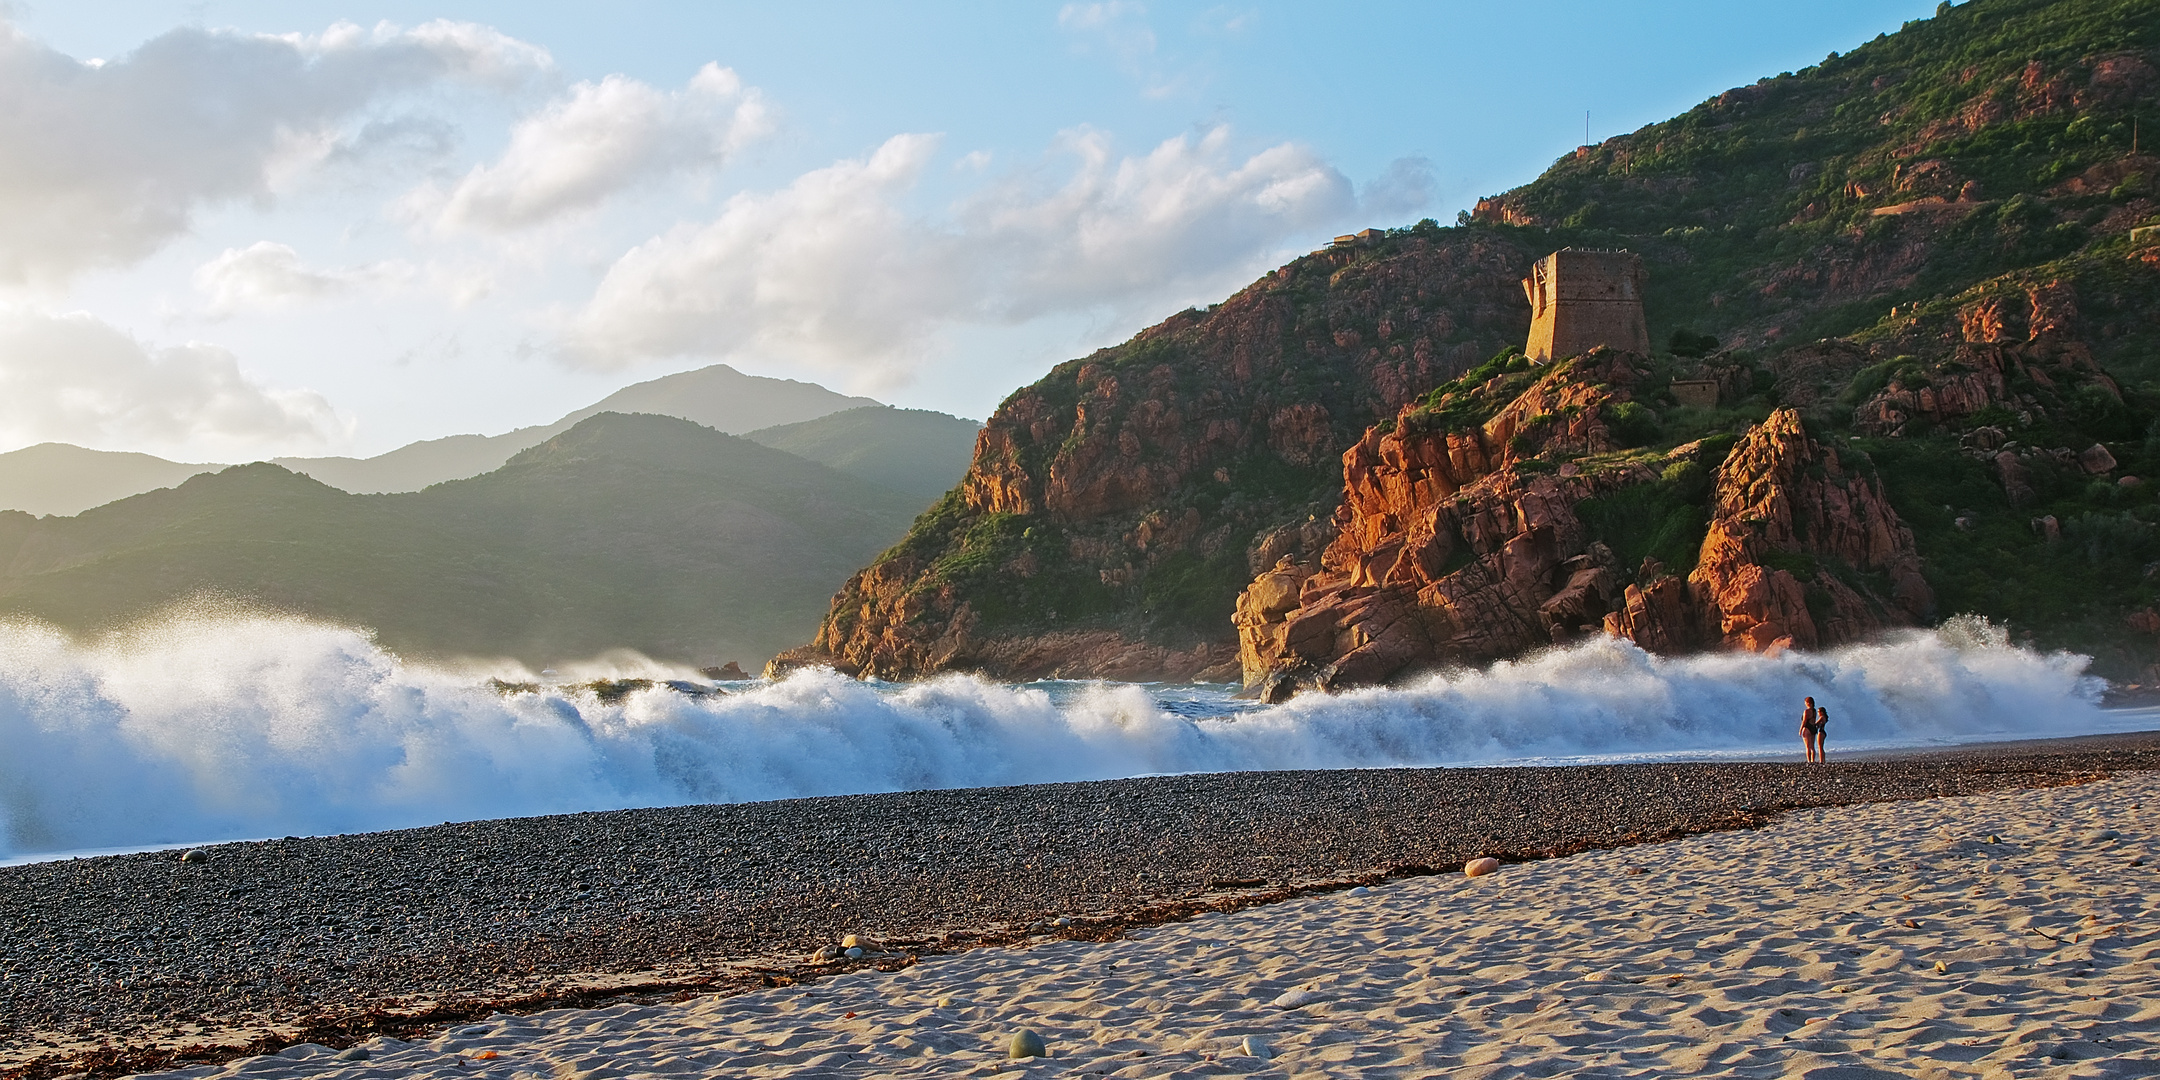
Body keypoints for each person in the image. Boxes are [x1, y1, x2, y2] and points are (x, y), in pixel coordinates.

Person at [1800, 696, 1819, 763]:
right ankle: (1813, 760)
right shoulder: (1814, 711)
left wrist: (1800, 730)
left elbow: (1804, 721)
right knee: (1812, 746)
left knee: (1807, 746)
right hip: (1813, 728)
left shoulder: (1806, 711)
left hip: (1807, 728)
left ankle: (1809, 761)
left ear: (1808, 703)